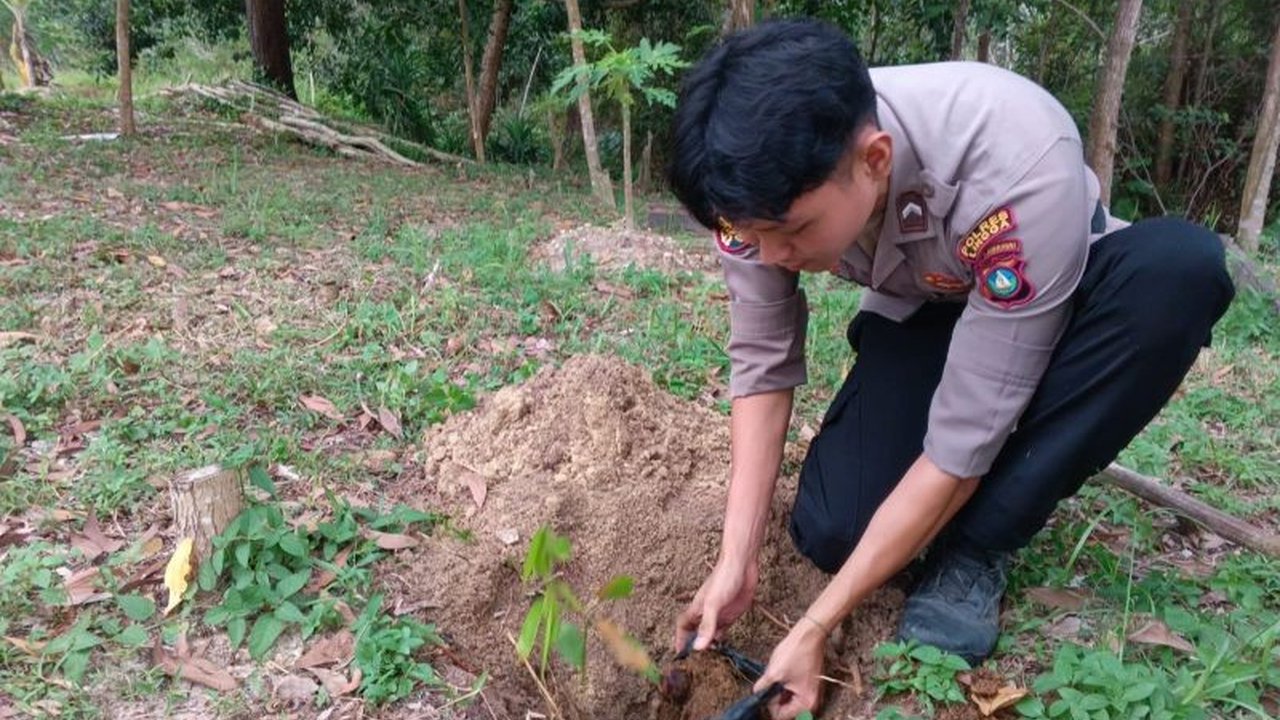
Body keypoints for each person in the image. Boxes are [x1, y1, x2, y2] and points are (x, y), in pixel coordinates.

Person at [666, 18, 1235, 719]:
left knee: (1177, 274)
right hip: (930, 301)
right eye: (751, 237)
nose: (772, 255)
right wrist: (736, 557)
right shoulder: (751, 192)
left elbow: (966, 436)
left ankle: (979, 546)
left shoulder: (1014, 163)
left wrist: (815, 626)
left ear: (875, 160)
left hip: (1060, 288)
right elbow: (762, 361)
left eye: (793, 234)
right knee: (833, 530)